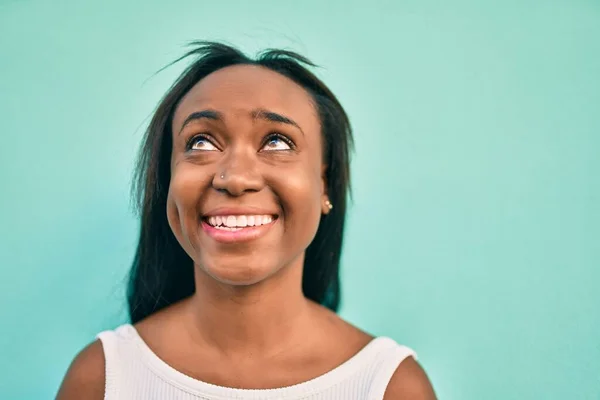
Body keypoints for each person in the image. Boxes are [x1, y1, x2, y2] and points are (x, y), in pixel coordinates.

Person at [57, 41, 436, 400]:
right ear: (168, 182)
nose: (235, 178)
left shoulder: (389, 386)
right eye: (200, 142)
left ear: (325, 184)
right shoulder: (103, 378)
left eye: (277, 142)